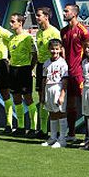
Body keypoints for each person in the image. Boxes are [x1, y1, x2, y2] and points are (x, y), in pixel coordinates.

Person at [61, 3, 89, 140]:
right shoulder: (63, 31)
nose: (64, 13)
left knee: (84, 104)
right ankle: (72, 134)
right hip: (67, 73)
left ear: (74, 13)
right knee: (70, 104)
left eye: (66, 11)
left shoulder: (83, 31)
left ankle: (88, 135)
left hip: (79, 73)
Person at [7, 13, 38, 136]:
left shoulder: (28, 37)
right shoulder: (11, 38)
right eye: (10, 21)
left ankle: (33, 127)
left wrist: (30, 68)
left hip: (24, 70)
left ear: (20, 23)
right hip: (13, 70)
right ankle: (20, 126)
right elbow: (10, 55)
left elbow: (34, 55)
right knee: (16, 98)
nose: (11, 24)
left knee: (28, 98)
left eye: (13, 21)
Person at [33, 7, 62, 135]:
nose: (37, 18)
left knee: (53, 97)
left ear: (46, 17)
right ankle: (43, 129)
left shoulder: (54, 32)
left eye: (39, 15)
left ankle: (57, 131)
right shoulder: (39, 33)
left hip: (52, 67)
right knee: (42, 97)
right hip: (41, 66)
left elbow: (60, 50)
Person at [42, 39, 70, 148]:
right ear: (49, 49)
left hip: (58, 88)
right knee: (52, 113)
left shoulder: (62, 63)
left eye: (57, 49)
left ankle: (62, 138)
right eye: (52, 49)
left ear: (60, 49)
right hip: (49, 89)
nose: (54, 51)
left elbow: (65, 80)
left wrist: (62, 94)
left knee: (61, 112)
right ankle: (53, 137)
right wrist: (43, 94)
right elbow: (44, 79)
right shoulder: (46, 63)